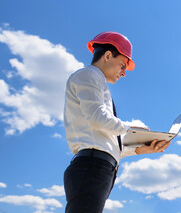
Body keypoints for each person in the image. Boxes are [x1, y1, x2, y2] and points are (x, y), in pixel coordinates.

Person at [63, 31, 170, 213]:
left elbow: (104, 142)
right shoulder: (88, 76)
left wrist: (139, 149)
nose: (123, 73)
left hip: (98, 166)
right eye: (122, 65)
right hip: (92, 166)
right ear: (107, 55)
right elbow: (98, 119)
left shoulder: (96, 82)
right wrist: (129, 129)